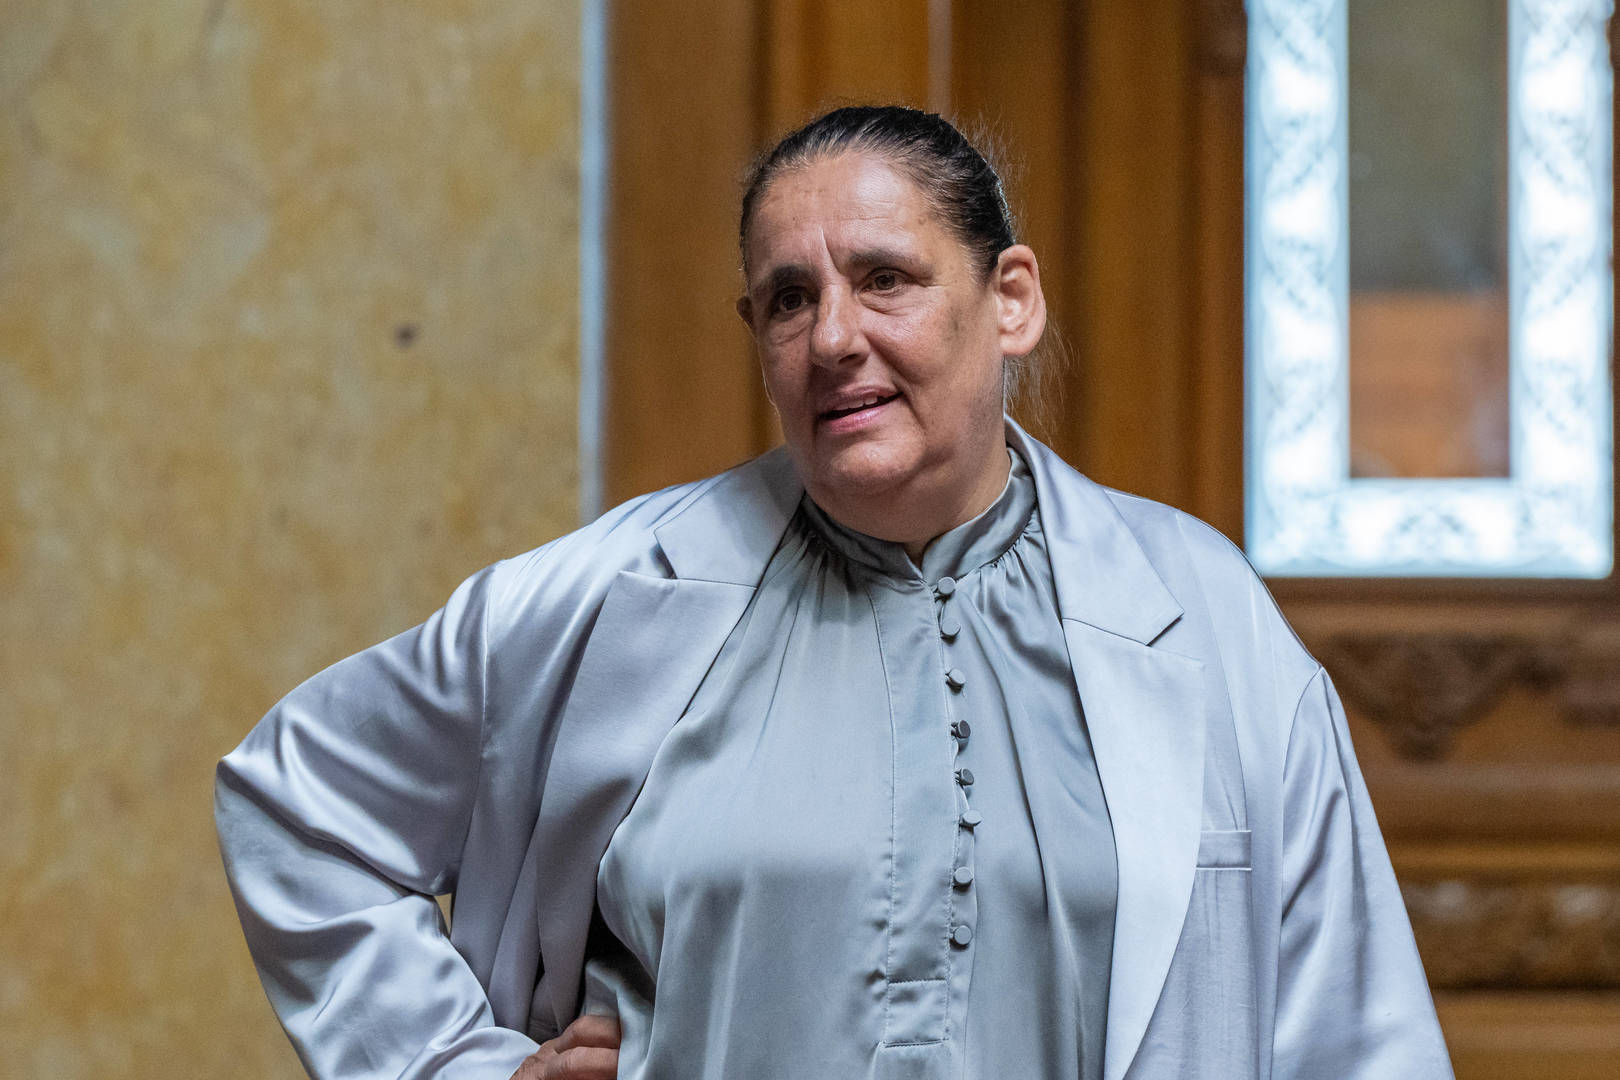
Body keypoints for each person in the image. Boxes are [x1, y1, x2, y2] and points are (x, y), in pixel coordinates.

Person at [216, 106, 1454, 1080]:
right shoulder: (610, 598)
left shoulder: (1203, 618)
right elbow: (299, 803)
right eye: (789, 299)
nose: (833, 339)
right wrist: (459, 1068)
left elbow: (1356, 1036)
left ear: (1010, 301)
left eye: (885, 278)